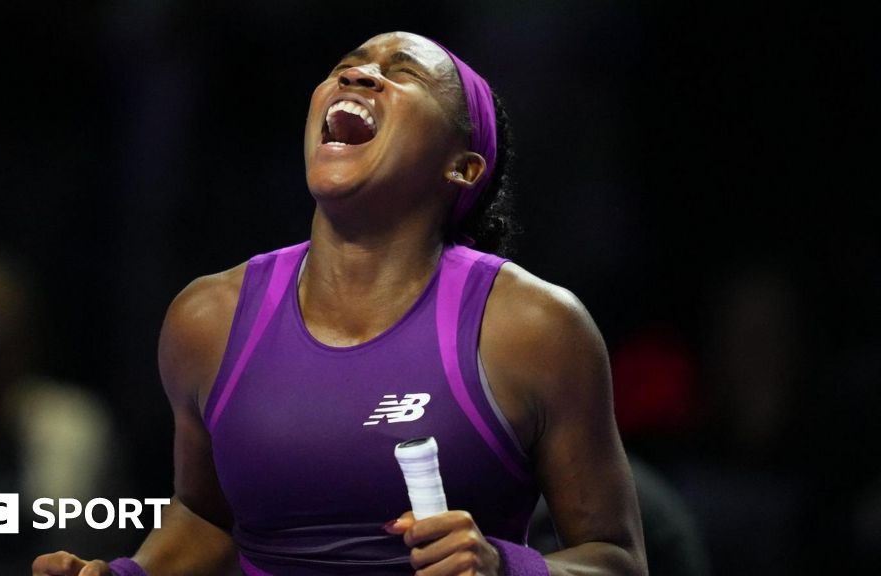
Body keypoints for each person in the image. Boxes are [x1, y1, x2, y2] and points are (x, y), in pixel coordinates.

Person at [33, 31, 647, 576]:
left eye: (403, 73)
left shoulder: (533, 328)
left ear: (462, 168)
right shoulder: (206, 319)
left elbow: (614, 558)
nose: (356, 75)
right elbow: (208, 519)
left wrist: (507, 569)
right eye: (347, 65)